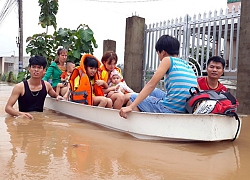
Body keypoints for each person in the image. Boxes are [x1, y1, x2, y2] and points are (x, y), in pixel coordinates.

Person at [119, 35, 198, 118]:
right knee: (155, 91)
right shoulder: (186, 64)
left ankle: (137, 123)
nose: (159, 56)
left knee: (132, 99)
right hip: (184, 108)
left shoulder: (167, 60)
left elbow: (151, 85)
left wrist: (131, 107)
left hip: (170, 109)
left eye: (158, 53)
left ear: (163, 52)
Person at [5, 55, 63, 119]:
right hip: (23, 121)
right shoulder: (20, 87)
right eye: (33, 67)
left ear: (44, 70)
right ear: (29, 69)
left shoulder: (47, 85)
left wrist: (58, 97)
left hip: (40, 120)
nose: (36, 70)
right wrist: (20, 114)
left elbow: (55, 95)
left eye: (39, 67)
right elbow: (8, 108)